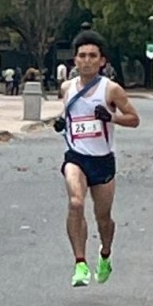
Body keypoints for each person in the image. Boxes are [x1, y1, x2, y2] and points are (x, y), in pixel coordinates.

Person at [53, 29, 140, 287]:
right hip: (76, 157)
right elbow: (68, 113)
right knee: (76, 203)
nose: (87, 60)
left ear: (102, 61)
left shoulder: (111, 90)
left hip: (102, 160)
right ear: (75, 60)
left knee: (103, 219)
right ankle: (80, 263)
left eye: (93, 56)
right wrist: (60, 121)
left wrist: (111, 117)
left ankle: (105, 254)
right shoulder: (67, 87)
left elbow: (134, 119)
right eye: (82, 56)